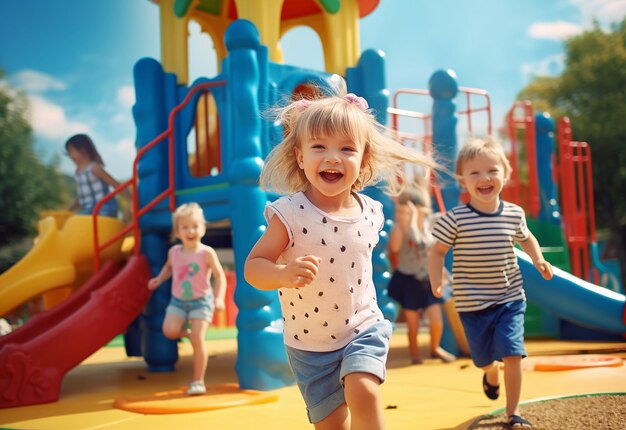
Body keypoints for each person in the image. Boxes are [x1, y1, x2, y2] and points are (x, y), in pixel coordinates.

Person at [244, 91, 436, 430]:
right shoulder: (289, 213)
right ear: (299, 157)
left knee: (363, 391)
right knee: (331, 425)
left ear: (363, 161)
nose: (333, 157)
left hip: (363, 328)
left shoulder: (371, 212)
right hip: (309, 345)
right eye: (319, 147)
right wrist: (282, 273)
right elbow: (254, 266)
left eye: (347, 148)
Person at [428, 136, 553, 429]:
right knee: (483, 359)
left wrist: (538, 260)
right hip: (472, 304)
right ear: (462, 181)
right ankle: (490, 373)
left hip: (509, 298)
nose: (484, 178)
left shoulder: (513, 213)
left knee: (513, 352)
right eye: (475, 173)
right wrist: (436, 280)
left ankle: (513, 412)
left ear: (505, 174)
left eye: (492, 170)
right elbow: (437, 252)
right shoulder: (455, 219)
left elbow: (527, 238)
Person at [148, 202, 226, 395]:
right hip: (178, 301)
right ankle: (188, 332)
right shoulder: (174, 252)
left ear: (203, 228)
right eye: (185, 227)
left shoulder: (206, 252)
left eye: (195, 226)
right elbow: (168, 268)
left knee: (198, 340)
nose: (191, 231)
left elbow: (219, 275)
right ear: (177, 231)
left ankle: (198, 381)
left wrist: (219, 298)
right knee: (169, 331)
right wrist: (159, 279)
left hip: (201, 301)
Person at [387, 177, 455, 365]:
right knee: (413, 322)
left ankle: (435, 348)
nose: (405, 214)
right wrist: (404, 222)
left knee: (436, 320)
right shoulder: (400, 228)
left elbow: (431, 239)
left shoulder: (430, 223)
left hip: (428, 277)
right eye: (402, 211)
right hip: (408, 279)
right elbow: (394, 247)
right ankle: (415, 354)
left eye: (409, 210)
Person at [65, 134, 124, 217]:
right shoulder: (78, 173)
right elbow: (83, 196)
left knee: (80, 220)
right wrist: (69, 209)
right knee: (74, 220)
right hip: (89, 211)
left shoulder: (94, 168)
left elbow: (116, 185)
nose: (70, 156)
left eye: (71, 151)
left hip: (104, 208)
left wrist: (132, 200)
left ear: (82, 149)